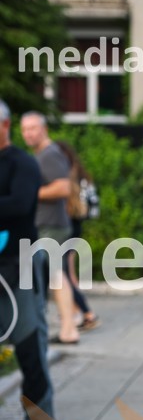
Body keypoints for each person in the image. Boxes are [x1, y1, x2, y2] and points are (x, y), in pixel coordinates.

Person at [0, 99, 56, 420]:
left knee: (28, 343)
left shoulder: (23, 163)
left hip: (18, 263)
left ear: (4, 125)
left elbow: (20, 205)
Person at [20, 112, 79, 345]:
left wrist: (27, 194)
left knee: (56, 275)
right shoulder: (42, 155)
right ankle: (67, 326)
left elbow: (64, 188)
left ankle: (69, 328)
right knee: (56, 275)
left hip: (51, 225)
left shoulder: (50, 154)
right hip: (47, 225)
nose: (28, 134)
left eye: (33, 128)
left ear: (44, 129)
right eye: (25, 129)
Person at [53, 141, 99, 331]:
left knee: (64, 275)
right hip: (76, 229)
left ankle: (86, 313)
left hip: (65, 228)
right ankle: (74, 312)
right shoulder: (82, 176)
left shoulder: (66, 178)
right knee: (69, 275)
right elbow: (94, 209)